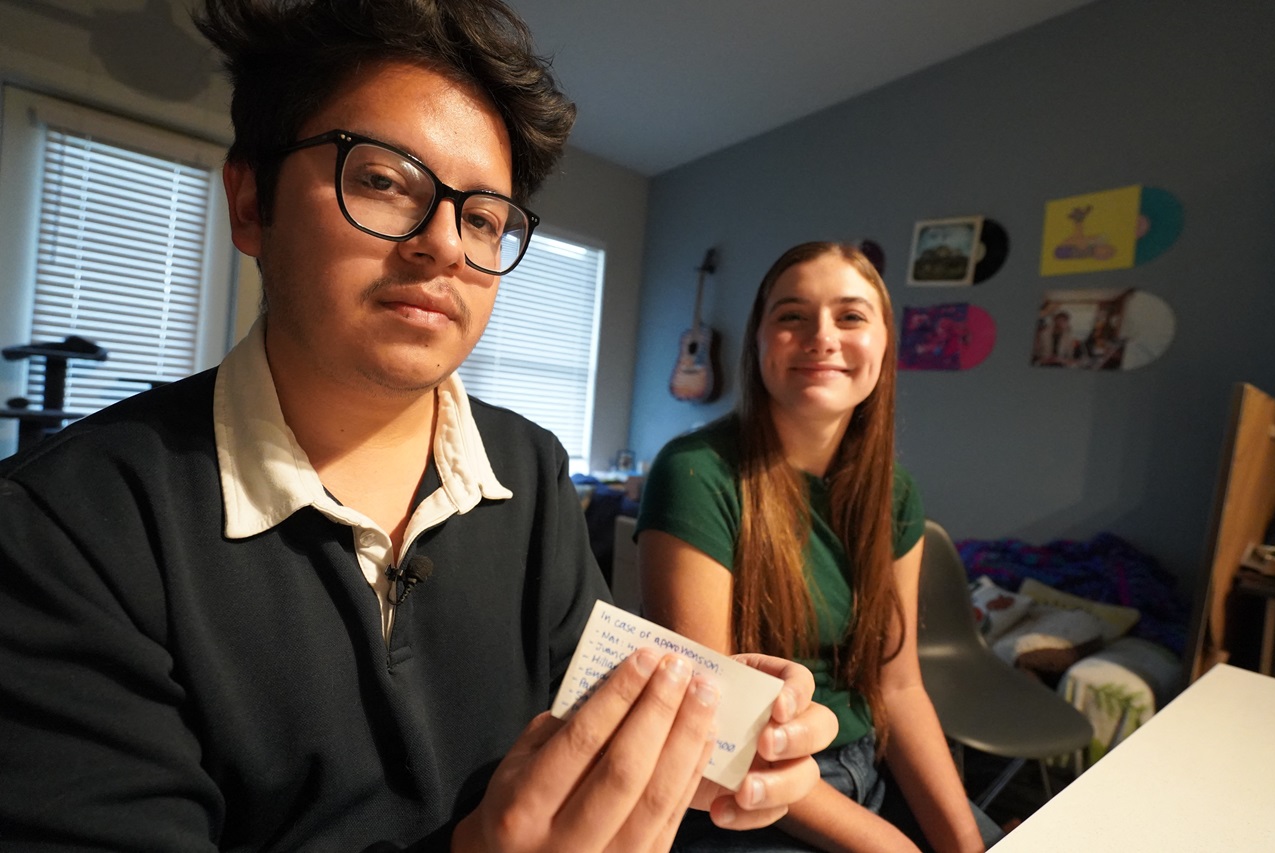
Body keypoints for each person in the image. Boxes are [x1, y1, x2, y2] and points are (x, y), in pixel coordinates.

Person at [0, 2, 838, 849]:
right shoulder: (65, 526)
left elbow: (581, 708)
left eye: (482, 218)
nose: (443, 245)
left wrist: (716, 732)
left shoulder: (529, 468)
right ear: (252, 201)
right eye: (381, 180)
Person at [637, 242, 1003, 852]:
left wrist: (965, 844)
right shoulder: (696, 472)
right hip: (747, 791)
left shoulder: (896, 491)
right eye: (792, 316)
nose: (821, 337)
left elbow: (899, 686)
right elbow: (717, 730)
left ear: (885, 346)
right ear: (758, 341)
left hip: (872, 762)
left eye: (851, 316)